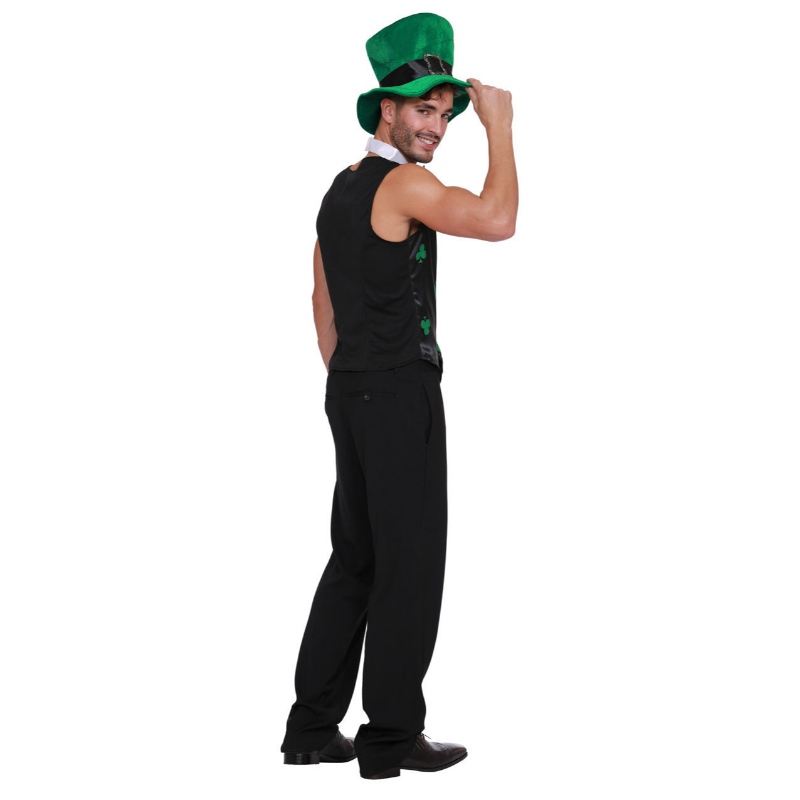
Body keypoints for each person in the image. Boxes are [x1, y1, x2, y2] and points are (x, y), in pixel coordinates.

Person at [280, 12, 518, 780]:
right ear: (386, 108)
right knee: (408, 564)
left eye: (447, 113)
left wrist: (351, 377)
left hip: (350, 388)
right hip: (397, 391)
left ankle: (311, 728)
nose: (437, 127)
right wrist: (500, 126)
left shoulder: (338, 190)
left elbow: (320, 301)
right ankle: (389, 739)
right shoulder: (407, 184)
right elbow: (498, 220)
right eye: (423, 109)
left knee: (355, 557)